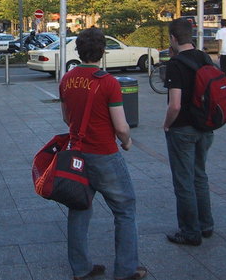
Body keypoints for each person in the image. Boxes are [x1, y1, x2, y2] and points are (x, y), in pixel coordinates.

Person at [60, 27, 146, 280]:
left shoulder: (67, 79)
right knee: (125, 209)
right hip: (104, 154)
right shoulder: (107, 82)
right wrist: (127, 142)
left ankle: (81, 269)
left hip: (77, 154)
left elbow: (67, 118)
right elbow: (121, 127)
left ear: (78, 49)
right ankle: (127, 270)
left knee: (79, 208)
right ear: (102, 51)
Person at [163, 18, 214, 247]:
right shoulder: (204, 57)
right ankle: (206, 224)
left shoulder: (175, 64)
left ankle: (190, 231)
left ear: (173, 38)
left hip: (182, 129)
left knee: (183, 181)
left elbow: (175, 104)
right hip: (205, 127)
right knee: (200, 176)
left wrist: (166, 124)